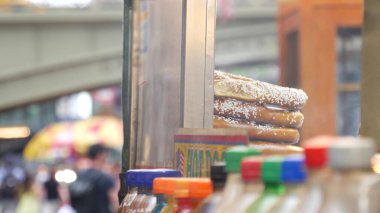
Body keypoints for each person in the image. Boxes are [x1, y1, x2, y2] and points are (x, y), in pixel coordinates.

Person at [69, 144, 116, 213]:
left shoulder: (81, 175)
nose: (107, 157)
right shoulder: (105, 177)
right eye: (106, 154)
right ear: (100, 155)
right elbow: (114, 201)